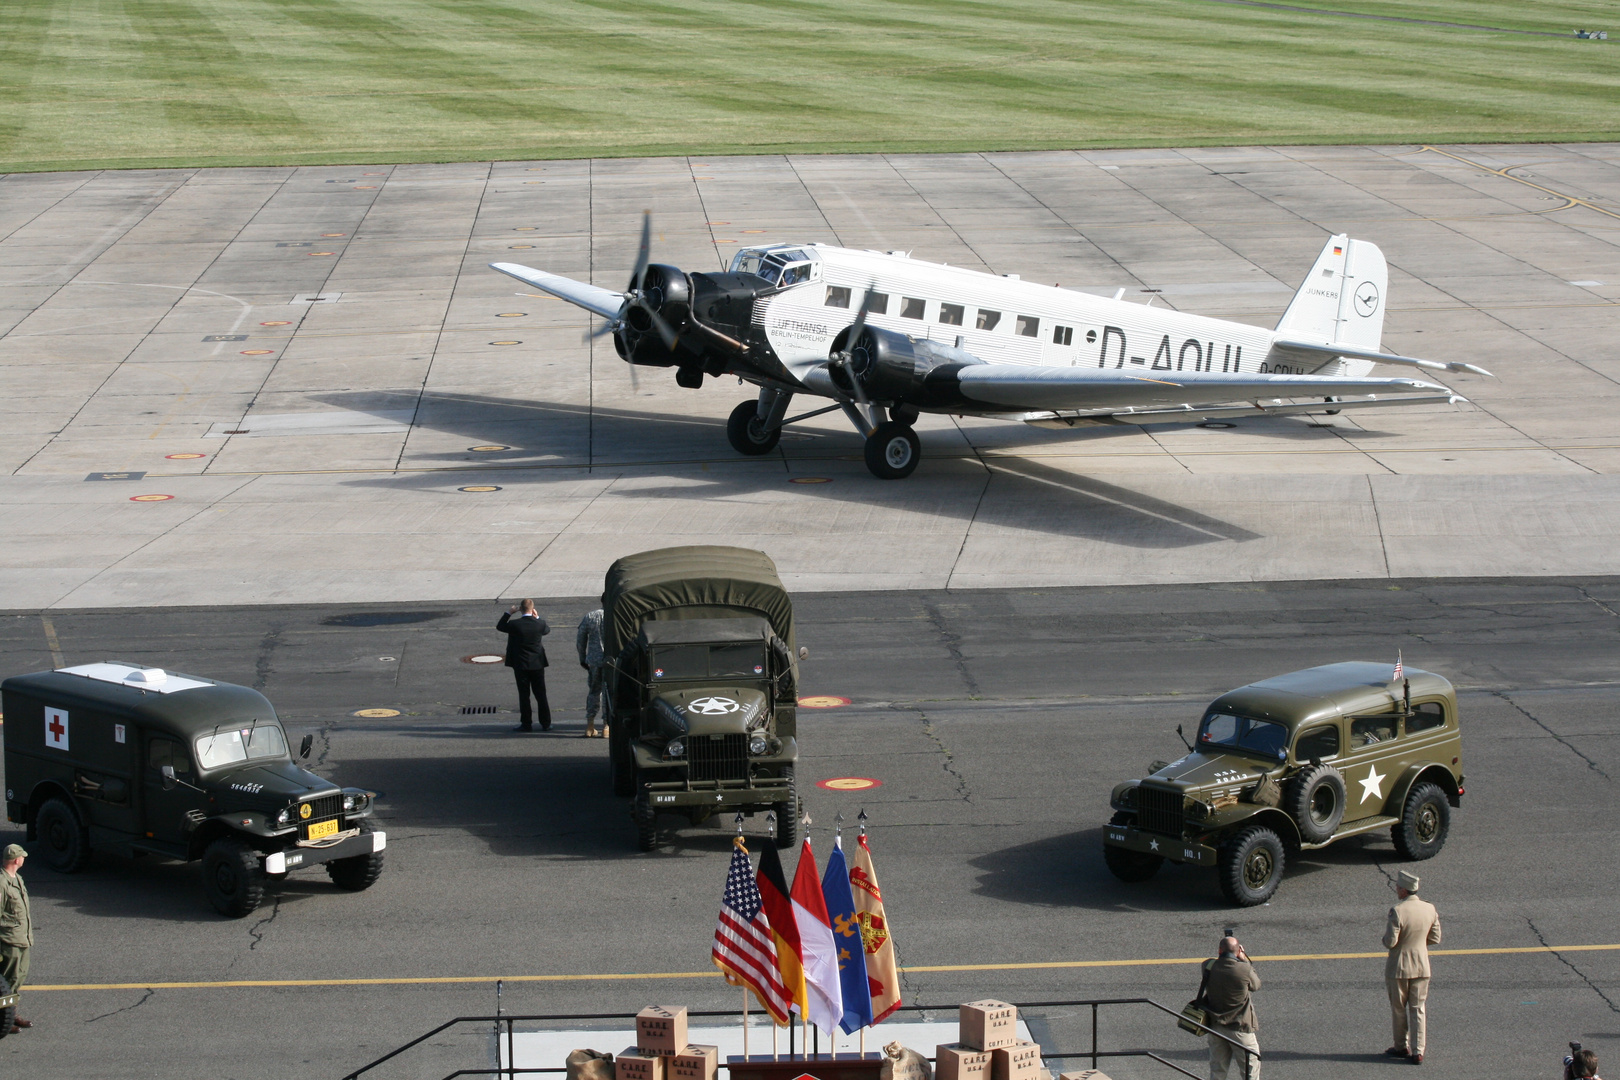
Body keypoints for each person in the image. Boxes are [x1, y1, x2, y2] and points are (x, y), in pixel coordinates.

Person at [1383, 869, 1442, 1065]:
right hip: (1422, 966)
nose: (1397, 889)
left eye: (1398, 887)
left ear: (1404, 890)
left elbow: (1390, 942)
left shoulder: (1398, 911)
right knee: (1418, 1008)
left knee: (1399, 1009)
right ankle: (1418, 1051)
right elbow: (1435, 938)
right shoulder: (1430, 908)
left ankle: (1401, 1046)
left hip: (1399, 967)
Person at [1203, 935, 1261, 1080]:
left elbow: (1214, 961)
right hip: (1240, 1027)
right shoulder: (1244, 969)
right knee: (1249, 1070)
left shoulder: (1207, 966)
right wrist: (1244, 958)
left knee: (1217, 1070)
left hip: (1216, 1026)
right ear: (1238, 950)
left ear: (1219, 950)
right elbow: (1256, 985)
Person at [497, 599, 550, 732]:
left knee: (524, 695)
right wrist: (537, 616)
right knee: (541, 695)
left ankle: (526, 723)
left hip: (521, 664)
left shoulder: (515, 624)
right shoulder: (540, 624)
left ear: (520, 608)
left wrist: (509, 612)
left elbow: (500, 626)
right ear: (532, 609)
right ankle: (546, 723)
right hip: (537, 664)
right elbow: (546, 630)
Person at [0, 844, 33, 1033]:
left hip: (22, 938)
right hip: (9, 940)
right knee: (8, 982)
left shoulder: (17, 879)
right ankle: (5, 1018)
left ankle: (10, 1013)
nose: (24, 859)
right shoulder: (2, 882)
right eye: (22, 857)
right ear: (16, 859)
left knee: (17, 979)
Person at [576, 608, 607, 739]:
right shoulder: (615, 615)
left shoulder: (590, 616)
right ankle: (606, 726)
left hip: (594, 659)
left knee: (594, 691)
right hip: (610, 660)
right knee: (608, 692)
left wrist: (582, 657)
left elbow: (581, 638)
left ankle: (590, 724)